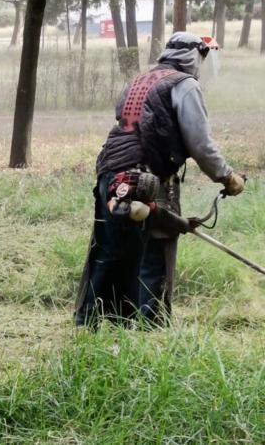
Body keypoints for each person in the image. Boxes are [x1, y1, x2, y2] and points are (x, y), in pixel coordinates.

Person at [74, 32, 245, 329]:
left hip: (110, 175)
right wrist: (228, 177)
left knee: (107, 252)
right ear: (193, 56)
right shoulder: (185, 84)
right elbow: (201, 145)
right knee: (153, 253)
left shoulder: (139, 80)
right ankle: (149, 329)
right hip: (147, 179)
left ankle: (88, 326)